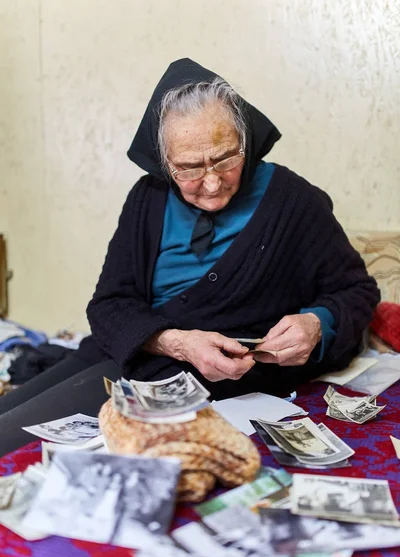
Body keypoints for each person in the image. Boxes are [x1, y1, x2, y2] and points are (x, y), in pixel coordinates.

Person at [0, 58, 379, 457]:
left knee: (10, 444)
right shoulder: (147, 199)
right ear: (164, 163)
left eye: (226, 159)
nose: (213, 183)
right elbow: (110, 304)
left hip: (206, 381)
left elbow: (355, 290)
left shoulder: (293, 201)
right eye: (189, 168)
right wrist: (177, 342)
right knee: (9, 416)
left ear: (244, 141)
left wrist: (318, 324)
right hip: (135, 352)